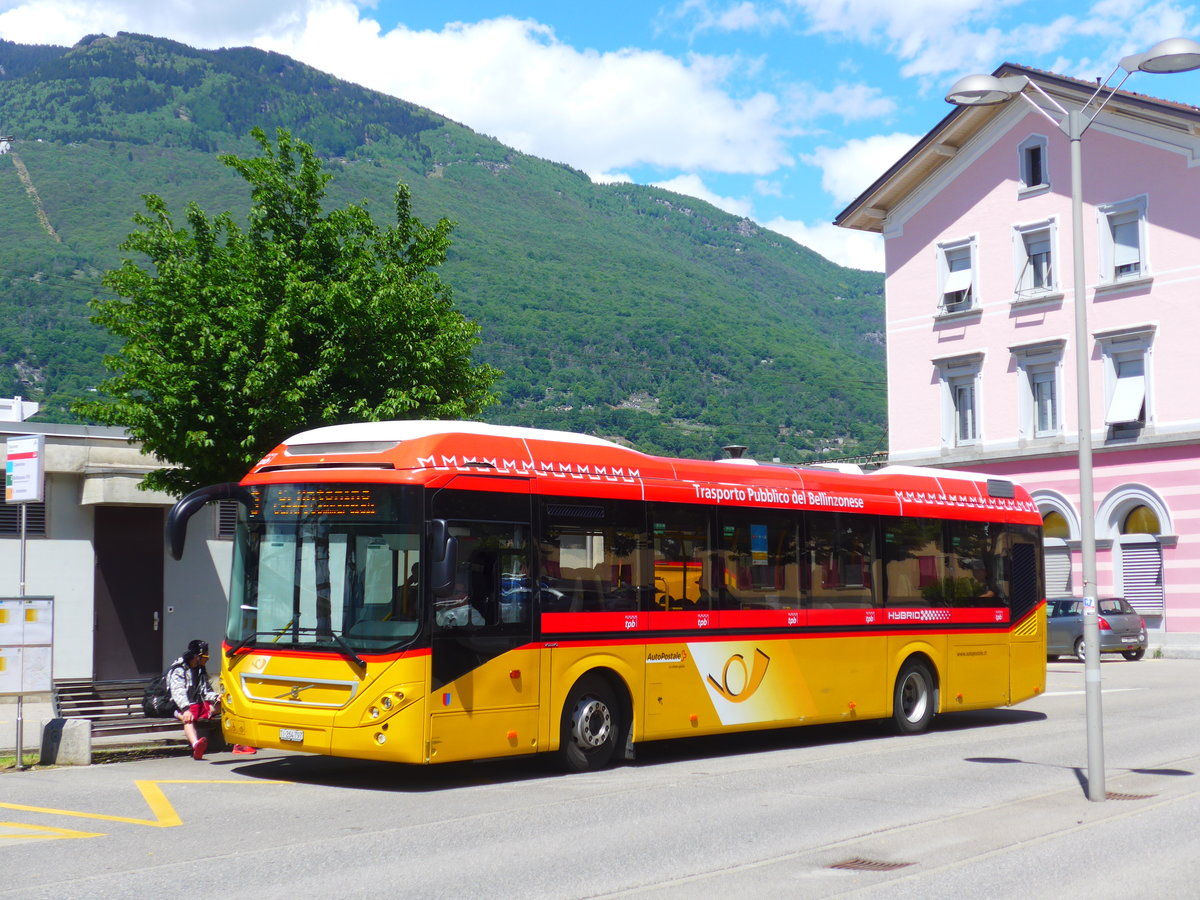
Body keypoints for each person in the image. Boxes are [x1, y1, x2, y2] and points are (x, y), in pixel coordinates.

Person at [167, 639, 221, 760]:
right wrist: (186, 709)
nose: (207, 659)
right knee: (188, 719)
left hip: (197, 704)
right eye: (205, 656)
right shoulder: (179, 669)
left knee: (224, 707)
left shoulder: (200, 670)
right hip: (178, 706)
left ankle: (239, 743)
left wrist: (216, 697)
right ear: (196, 656)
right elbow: (177, 692)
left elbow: (205, 691)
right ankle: (196, 745)